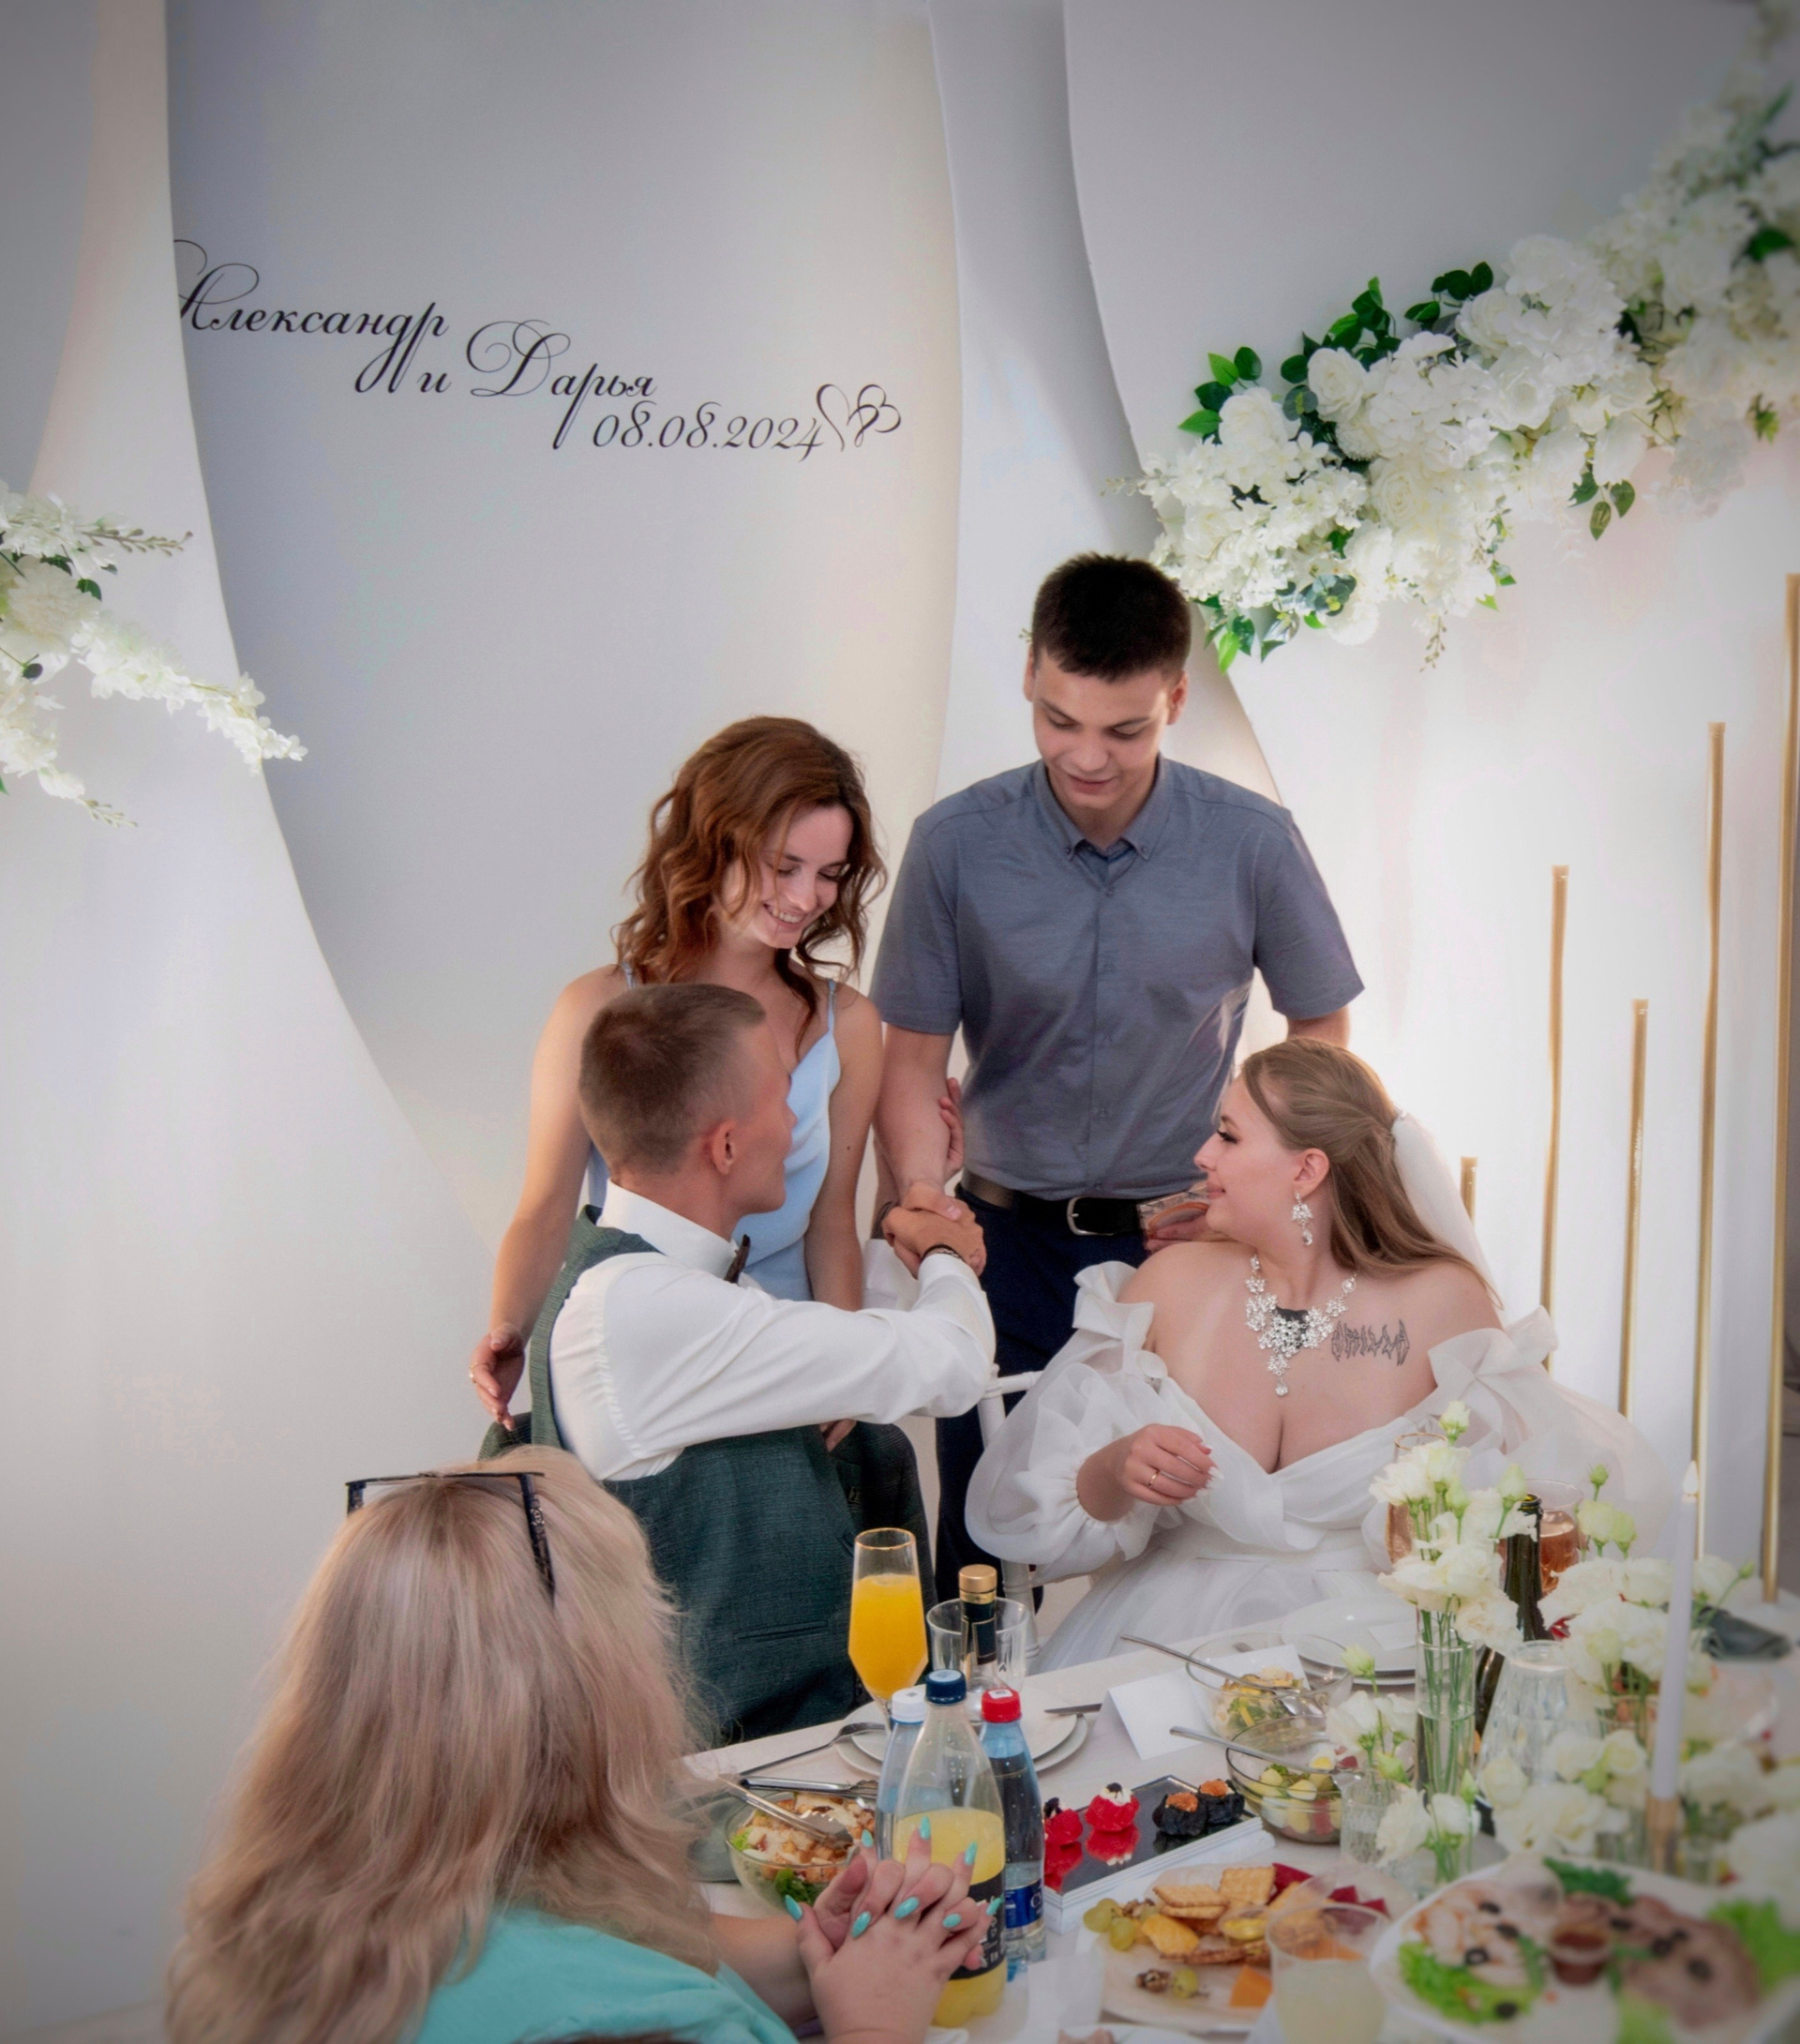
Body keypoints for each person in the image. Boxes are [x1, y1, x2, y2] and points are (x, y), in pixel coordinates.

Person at [871, 553, 1364, 1598]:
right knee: (987, 1551)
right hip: (1003, 1247)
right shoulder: (952, 846)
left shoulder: (1253, 841)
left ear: (1175, 698)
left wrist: (1253, 1202)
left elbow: (1320, 1027)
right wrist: (924, 1205)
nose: (1086, 756)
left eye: (1125, 730)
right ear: (1028, 676)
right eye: (1059, 720)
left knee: (1179, 1530)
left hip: (1188, 1246)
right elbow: (910, 1062)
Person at [165, 1450, 991, 2044]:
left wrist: (829, 1957)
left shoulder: (313, 1920)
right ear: (595, 1698)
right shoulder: (616, 2026)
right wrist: (877, 2022)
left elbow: (613, 1946)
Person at [965, 1040, 1672, 1667]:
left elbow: (1528, 1522)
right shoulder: (1169, 1283)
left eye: (1228, 1136)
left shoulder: (1441, 1302)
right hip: (1163, 1636)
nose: (1202, 1156)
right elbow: (1037, 1517)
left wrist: (1437, 1531)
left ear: (1306, 1170)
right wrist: (1118, 1467)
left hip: (1375, 1643)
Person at [492, 983, 994, 1739]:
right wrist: (951, 1253)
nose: (798, 1123)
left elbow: (851, 1343)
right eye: (784, 1098)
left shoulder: (658, 1282)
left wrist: (920, 1209)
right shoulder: (651, 1309)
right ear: (725, 1146)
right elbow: (952, 1365)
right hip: (725, 1767)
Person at [471, 717, 908, 1441]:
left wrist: (842, 1366)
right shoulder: (595, 1009)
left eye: (830, 874)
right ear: (714, 843)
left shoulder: (851, 1025)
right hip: (635, 1362)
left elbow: (832, 1221)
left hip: (780, 1366)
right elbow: (545, 1206)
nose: (807, 898)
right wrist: (509, 1327)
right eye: (784, 866)